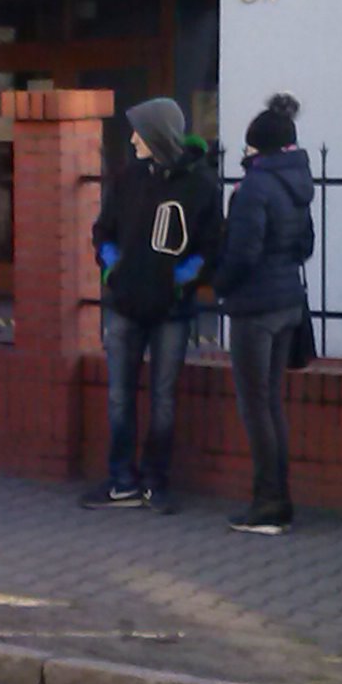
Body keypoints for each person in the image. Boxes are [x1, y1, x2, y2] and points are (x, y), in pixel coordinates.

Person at [83, 97, 224, 514]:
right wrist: (113, 269)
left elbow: (211, 247)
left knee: (163, 397)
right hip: (124, 304)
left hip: (171, 311)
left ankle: (155, 482)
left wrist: (177, 282)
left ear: (158, 136)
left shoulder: (200, 186)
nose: (131, 139)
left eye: (139, 131)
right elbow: (103, 230)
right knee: (119, 397)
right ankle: (121, 481)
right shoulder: (128, 180)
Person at [213, 95, 315, 534]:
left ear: (258, 147)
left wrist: (219, 283)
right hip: (288, 301)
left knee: (256, 406)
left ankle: (269, 503)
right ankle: (279, 499)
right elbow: (305, 246)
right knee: (271, 403)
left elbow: (243, 252)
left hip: (255, 308)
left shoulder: (254, 187)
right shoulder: (298, 184)